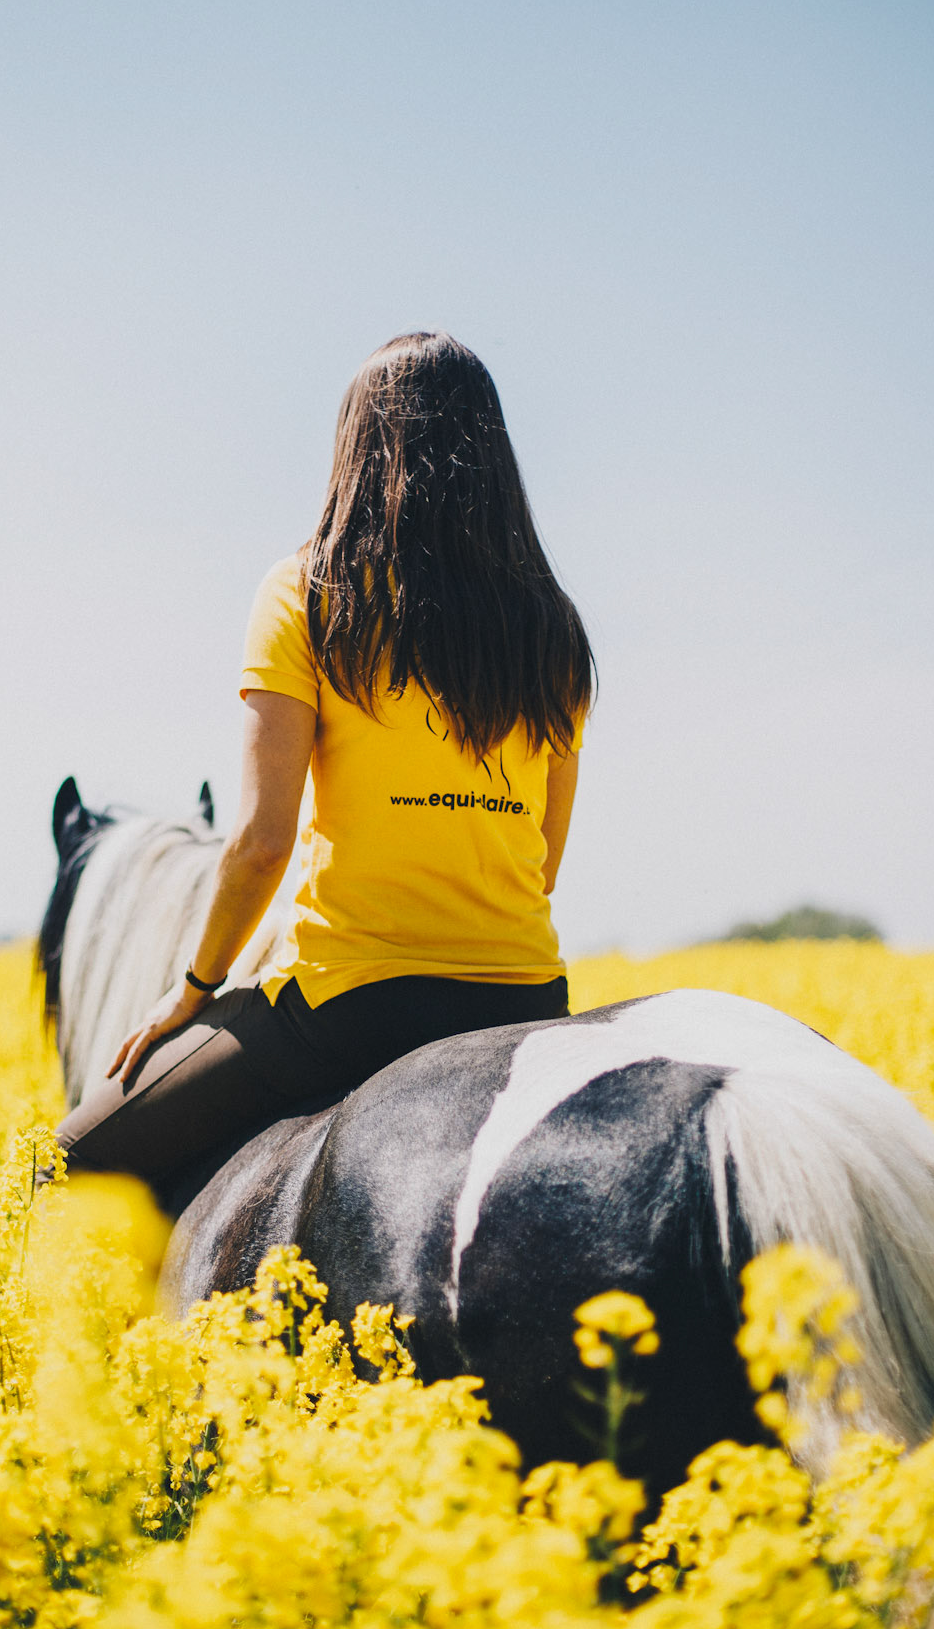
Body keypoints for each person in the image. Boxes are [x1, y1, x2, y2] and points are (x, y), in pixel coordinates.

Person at [55, 331, 595, 1201]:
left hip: (349, 1004)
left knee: (68, 1161)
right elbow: (542, 859)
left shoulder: (308, 592)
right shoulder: (553, 627)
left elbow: (262, 843)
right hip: (523, 1000)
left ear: (359, 447)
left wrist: (191, 989)